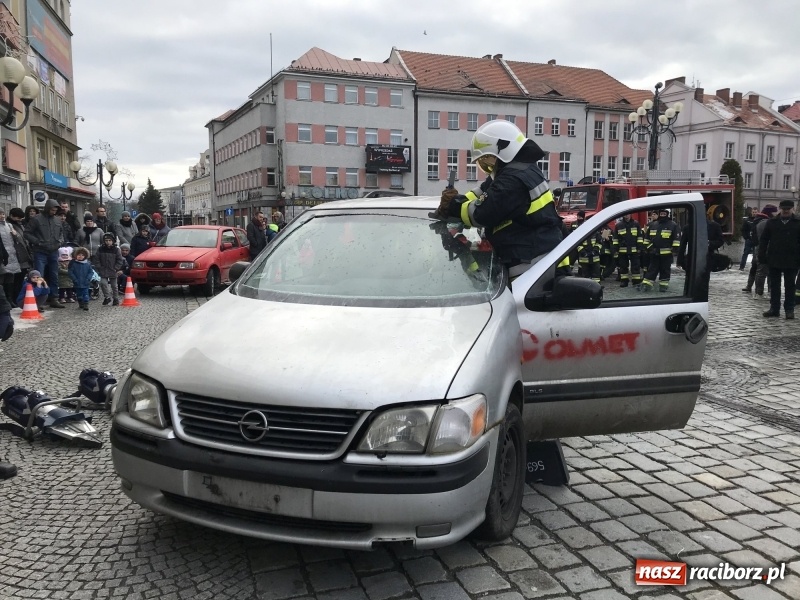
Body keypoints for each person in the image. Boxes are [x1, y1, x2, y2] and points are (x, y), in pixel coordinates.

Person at [434, 119, 563, 282]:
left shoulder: (513, 180)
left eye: (488, 159)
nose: (488, 166)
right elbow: (482, 192)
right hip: (534, 255)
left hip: (531, 264)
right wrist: (457, 199)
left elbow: (481, 214)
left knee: (518, 307)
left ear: (502, 151)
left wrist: (452, 205)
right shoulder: (518, 169)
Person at [758, 199, 800, 319]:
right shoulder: (772, 222)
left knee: (790, 286)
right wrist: (761, 254)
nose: (786, 211)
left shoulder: (797, 222)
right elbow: (764, 240)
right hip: (774, 258)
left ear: (792, 209)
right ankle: (774, 308)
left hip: (792, 259)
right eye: (784, 209)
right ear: (780, 209)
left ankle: (789, 309)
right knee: (774, 285)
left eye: (788, 209)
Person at [22, 198, 65, 309]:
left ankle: (54, 298)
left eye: (56, 209)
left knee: (54, 275)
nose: (54, 211)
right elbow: (26, 233)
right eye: (52, 209)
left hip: (53, 251)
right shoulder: (36, 219)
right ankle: (37, 300)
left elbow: (61, 234)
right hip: (40, 251)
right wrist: (38, 242)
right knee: (38, 275)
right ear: (47, 208)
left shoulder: (57, 220)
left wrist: (60, 242)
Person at [640, 208, 680, 292]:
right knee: (651, 269)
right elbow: (646, 239)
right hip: (654, 253)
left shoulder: (673, 225)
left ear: (667, 214)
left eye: (664, 213)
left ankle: (663, 286)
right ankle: (646, 286)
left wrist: (675, 249)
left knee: (665, 270)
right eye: (661, 213)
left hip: (666, 254)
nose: (662, 215)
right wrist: (649, 248)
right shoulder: (652, 225)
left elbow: (676, 239)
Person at [744, 205, 778, 299]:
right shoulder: (765, 222)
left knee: (758, 269)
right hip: (764, 249)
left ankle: (756, 289)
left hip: (758, 248)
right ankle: (761, 291)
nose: (777, 213)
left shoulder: (758, 220)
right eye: (775, 211)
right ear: (770, 212)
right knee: (763, 271)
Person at [6, 207, 32, 302]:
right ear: (12, 216)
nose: (20, 220)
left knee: (20, 278)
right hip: (16, 256)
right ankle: (14, 299)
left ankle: (17, 298)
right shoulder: (9, 225)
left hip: (23, 255)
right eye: (18, 218)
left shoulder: (20, 225)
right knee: (15, 280)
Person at [612, 214, 643, 287]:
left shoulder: (636, 224)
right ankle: (624, 281)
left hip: (634, 249)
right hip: (622, 250)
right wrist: (615, 249)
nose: (626, 216)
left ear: (630, 215)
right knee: (623, 266)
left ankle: (636, 282)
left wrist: (639, 248)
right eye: (625, 215)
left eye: (628, 215)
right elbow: (615, 239)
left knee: (635, 266)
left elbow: (639, 237)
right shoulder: (619, 225)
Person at [95, 232, 125, 306]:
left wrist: (116, 268)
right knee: (103, 283)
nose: (108, 242)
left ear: (113, 241)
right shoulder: (101, 249)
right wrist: (99, 267)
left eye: (109, 240)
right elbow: (97, 259)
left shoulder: (116, 249)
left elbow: (119, 260)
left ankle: (115, 298)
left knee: (114, 286)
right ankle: (107, 297)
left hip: (113, 270)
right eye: (106, 240)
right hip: (103, 269)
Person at [0, 208, 22, 307]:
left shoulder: (9, 225)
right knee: (3, 277)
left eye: (3, 213)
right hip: (2, 254)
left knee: (11, 277)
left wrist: (15, 235)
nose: (2, 216)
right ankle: (4, 300)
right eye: (0, 214)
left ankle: (10, 299)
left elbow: (18, 239)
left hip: (12, 253)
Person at [68, 247, 93, 311]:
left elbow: (91, 272)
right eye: (79, 255)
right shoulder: (74, 264)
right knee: (79, 294)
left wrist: (88, 279)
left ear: (85, 256)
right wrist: (74, 279)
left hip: (85, 282)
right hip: (77, 282)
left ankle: (86, 304)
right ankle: (80, 302)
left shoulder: (87, 264)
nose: (80, 256)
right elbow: (71, 272)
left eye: (82, 255)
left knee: (85, 293)